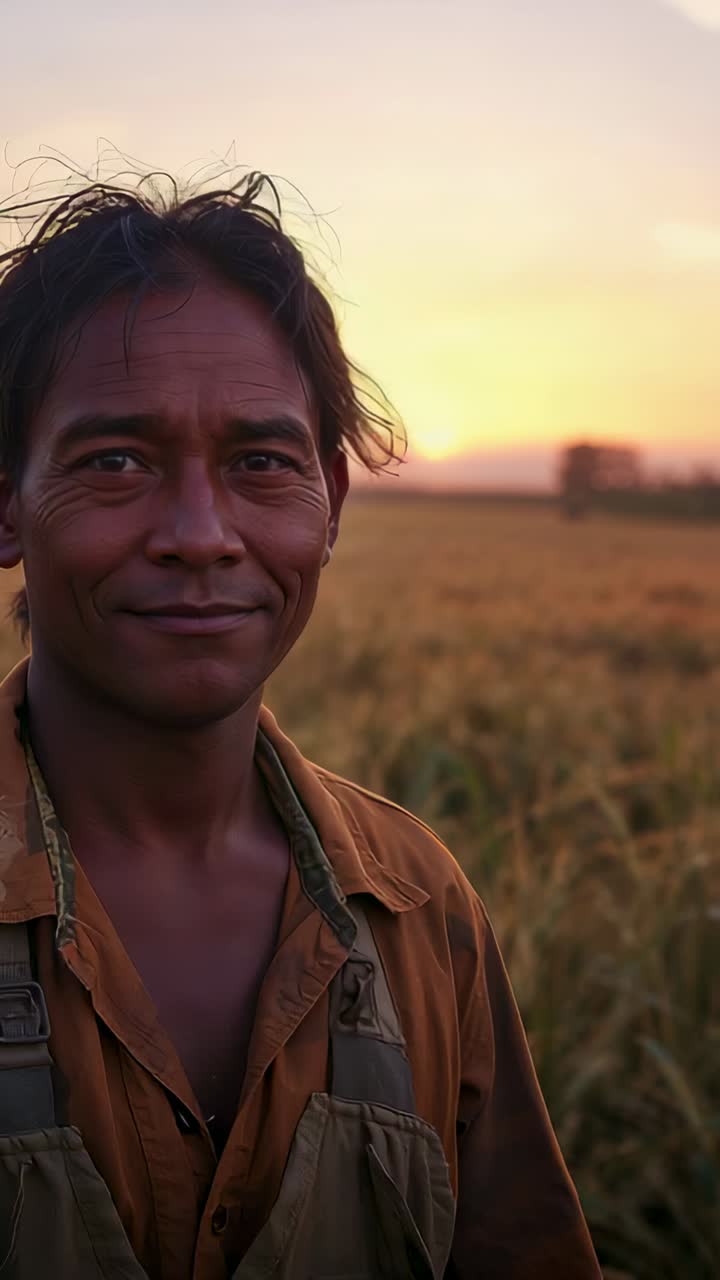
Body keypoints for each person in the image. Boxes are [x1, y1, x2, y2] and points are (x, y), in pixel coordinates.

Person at [0, 171, 601, 1279]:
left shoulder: (419, 906)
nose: (200, 533)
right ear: (6, 496)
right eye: (116, 460)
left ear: (329, 502)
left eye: (261, 463)